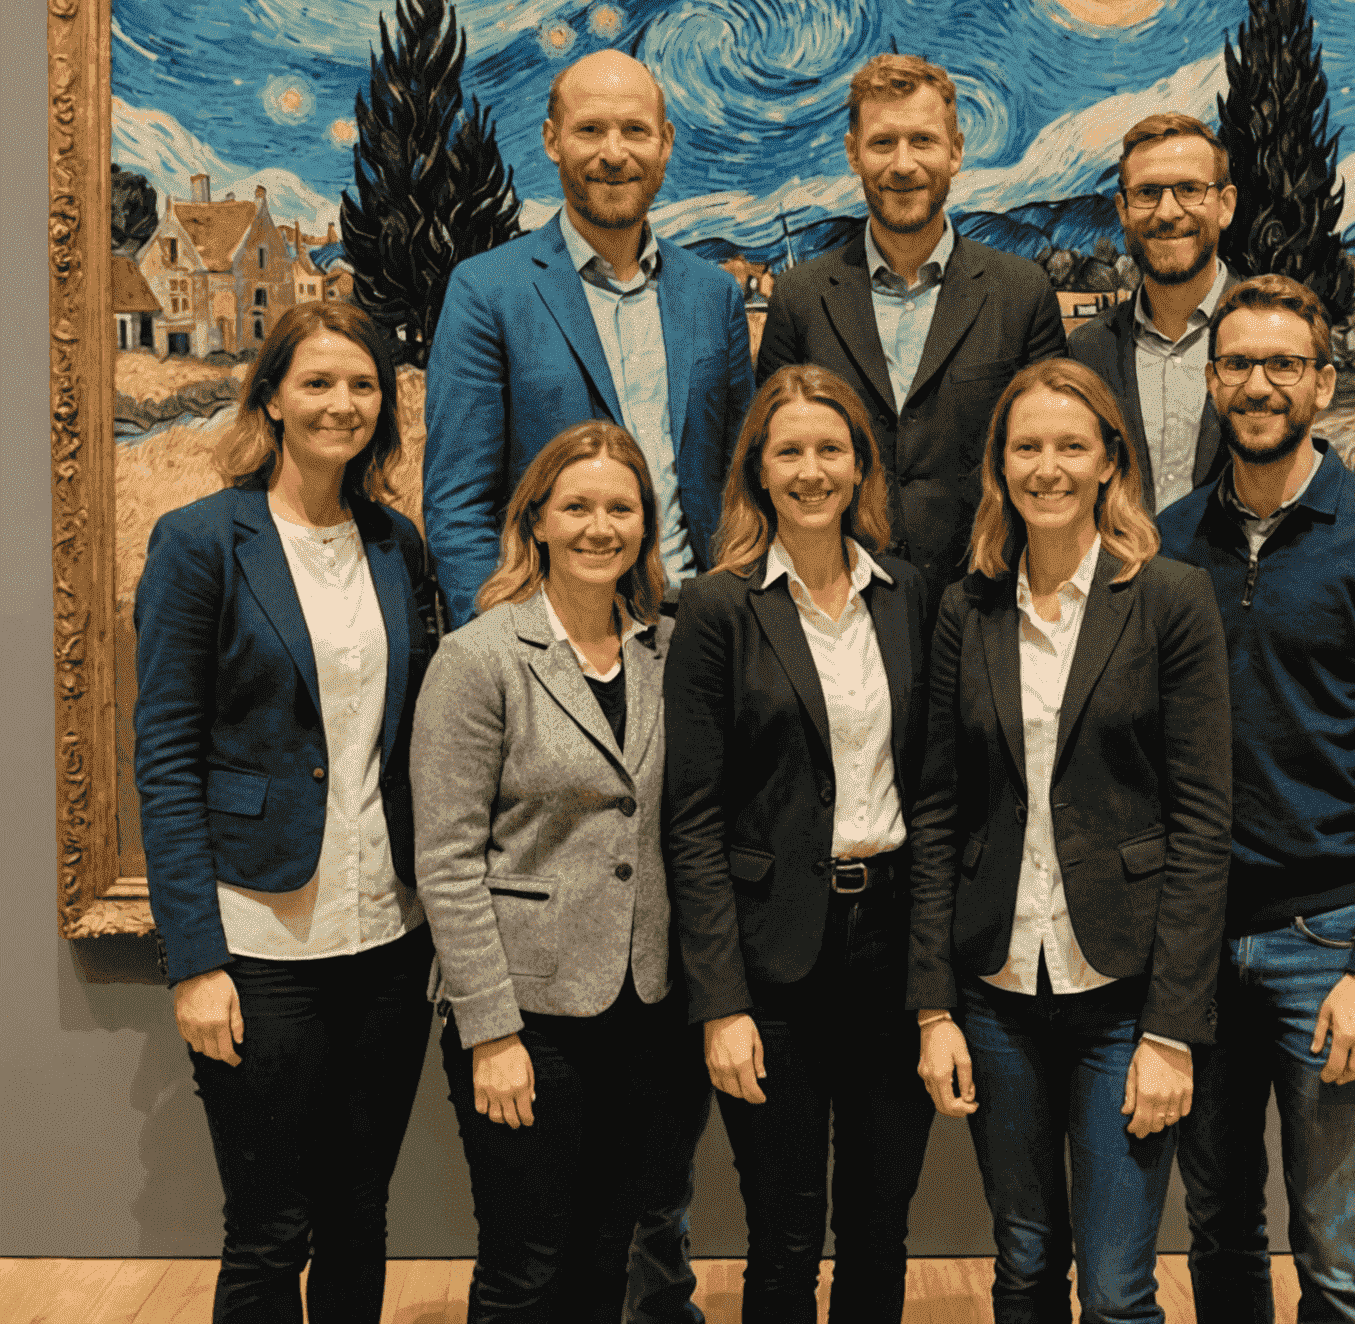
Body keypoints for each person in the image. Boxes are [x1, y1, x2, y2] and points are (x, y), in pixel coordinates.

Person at [133, 302, 437, 1324]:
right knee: (270, 1228)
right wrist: (195, 962)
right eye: (317, 382)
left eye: (363, 385)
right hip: (259, 940)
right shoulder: (201, 543)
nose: (342, 404)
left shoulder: (399, 547)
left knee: (359, 1212)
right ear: (270, 396)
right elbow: (167, 760)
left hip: (387, 937)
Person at [1159, 274, 1355, 1324]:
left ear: (1324, 382)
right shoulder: (1168, 543)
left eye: (1284, 363)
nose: (1259, 383)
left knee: (1333, 1247)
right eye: (1238, 363)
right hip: (1196, 948)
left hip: (1321, 946)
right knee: (1219, 1233)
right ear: (1210, 381)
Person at [913, 357, 1234, 1323]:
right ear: (999, 466)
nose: (1046, 466)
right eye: (1026, 447)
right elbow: (936, 813)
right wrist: (933, 1010)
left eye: (1069, 446)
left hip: (1125, 998)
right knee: (1021, 1260)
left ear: (1108, 462)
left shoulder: (1170, 598)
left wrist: (1173, 1031)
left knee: (1117, 1285)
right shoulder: (965, 609)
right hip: (996, 992)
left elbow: (1202, 822)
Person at [664, 365, 942, 1323]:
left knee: (880, 1226)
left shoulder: (911, 595)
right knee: (783, 1230)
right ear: (758, 470)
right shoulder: (717, 609)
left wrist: (934, 985)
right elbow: (691, 821)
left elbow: (937, 797)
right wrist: (720, 1002)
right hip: (770, 962)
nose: (813, 470)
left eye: (832, 448)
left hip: (892, 951)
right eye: (790, 451)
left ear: (861, 463)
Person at [412, 420, 706, 1322]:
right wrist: (491, 1035)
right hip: (524, 1014)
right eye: (576, 506)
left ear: (645, 529)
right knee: (524, 1268)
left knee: (604, 1256)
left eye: (621, 508)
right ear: (536, 519)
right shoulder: (480, 658)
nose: (599, 526)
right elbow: (447, 862)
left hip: (643, 1011)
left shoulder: (666, 652)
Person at [424, 48, 757, 631]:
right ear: (553, 141)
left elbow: (742, 483)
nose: (613, 153)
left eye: (634, 131)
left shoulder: (714, 298)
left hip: (700, 633)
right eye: (590, 130)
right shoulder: (487, 292)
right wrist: (511, 647)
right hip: (553, 633)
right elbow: (458, 509)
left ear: (665, 142)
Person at [756, 54, 1066, 607]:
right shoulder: (801, 298)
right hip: (835, 606)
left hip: (986, 602)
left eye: (922, 141)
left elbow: (1052, 460)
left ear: (956, 151)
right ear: (853, 153)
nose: (903, 165)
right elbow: (766, 457)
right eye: (882, 144)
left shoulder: (1022, 294)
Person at [1068, 113, 1243, 513]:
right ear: (1123, 209)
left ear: (1225, 205)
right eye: (1147, 193)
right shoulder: (1088, 352)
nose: (1167, 212)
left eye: (1189, 189)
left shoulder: (1272, 336)